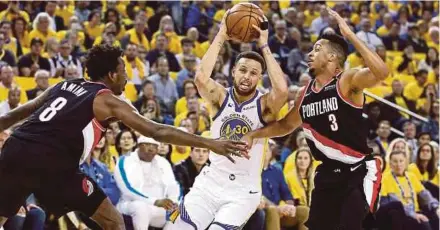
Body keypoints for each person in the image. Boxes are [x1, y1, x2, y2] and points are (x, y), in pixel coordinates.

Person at [0, 44, 248, 230]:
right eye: (123, 70)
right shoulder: (107, 100)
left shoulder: (63, 85)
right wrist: (209, 143)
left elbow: (21, 112)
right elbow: (156, 131)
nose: (128, 76)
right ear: (110, 75)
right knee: (114, 223)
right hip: (52, 161)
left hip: (15, 148)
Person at [243, 8, 388, 230]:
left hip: (357, 170)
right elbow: (284, 126)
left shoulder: (347, 81)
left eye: (317, 49)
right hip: (327, 174)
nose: (310, 54)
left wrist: (350, 35)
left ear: (332, 57)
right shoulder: (304, 94)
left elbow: (382, 73)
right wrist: (254, 134)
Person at [170, 12, 288, 230]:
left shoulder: (264, 106)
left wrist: (264, 44)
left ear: (260, 78)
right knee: (176, 227)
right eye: (242, 70)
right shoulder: (220, 97)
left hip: (243, 191)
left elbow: (281, 90)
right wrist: (222, 34)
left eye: (254, 73)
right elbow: (200, 78)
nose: (247, 76)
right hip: (210, 181)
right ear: (233, 71)